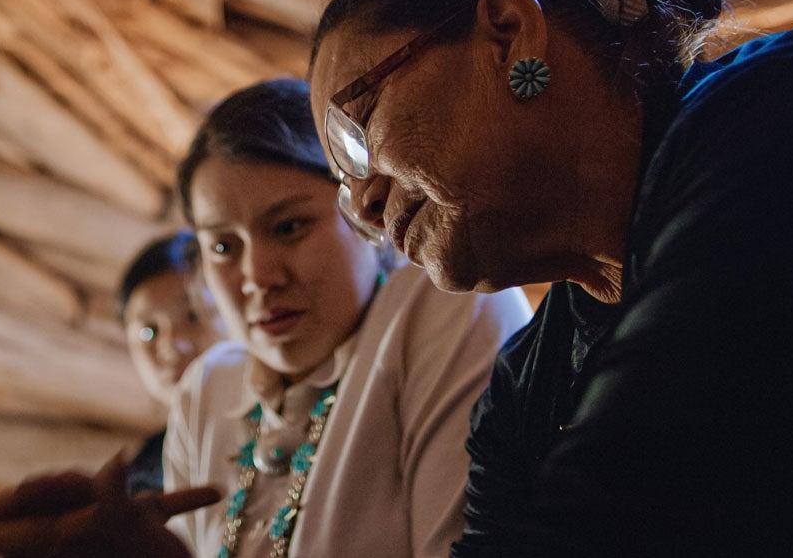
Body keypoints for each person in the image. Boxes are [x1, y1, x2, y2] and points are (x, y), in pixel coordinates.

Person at [307, 0, 793, 555]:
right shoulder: (521, 393)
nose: (363, 204)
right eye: (342, 183)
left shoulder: (788, 112)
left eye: (354, 134)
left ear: (509, 35)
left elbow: (619, 502)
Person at [164, 78, 529, 558]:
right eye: (223, 247)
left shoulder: (442, 306)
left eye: (289, 227)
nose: (257, 276)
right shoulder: (206, 391)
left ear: (363, 210)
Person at [118, 231, 227, 496]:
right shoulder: (141, 477)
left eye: (192, 316)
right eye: (149, 332)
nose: (171, 346)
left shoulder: (280, 432)